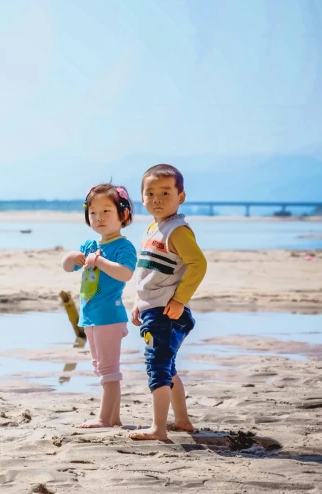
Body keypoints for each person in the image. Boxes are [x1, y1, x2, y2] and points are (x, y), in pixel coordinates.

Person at [128, 164, 207, 441]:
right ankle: (183, 421)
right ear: (142, 197)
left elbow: (198, 264)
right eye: (150, 193)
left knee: (157, 367)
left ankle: (158, 429)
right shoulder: (153, 228)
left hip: (166, 313)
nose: (157, 199)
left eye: (165, 192)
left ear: (180, 197)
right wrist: (139, 300)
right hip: (153, 310)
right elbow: (146, 272)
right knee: (167, 366)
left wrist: (179, 300)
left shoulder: (177, 230)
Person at [61, 184, 137, 428]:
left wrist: (101, 261)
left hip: (109, 316)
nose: (99, 218)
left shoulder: (123, 247)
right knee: (99, 367)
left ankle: (104, 419)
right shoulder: (90, 245)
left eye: (106, 211)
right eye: (93, 212)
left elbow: (125, 273)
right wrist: (72, 257)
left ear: (123, 215)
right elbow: (67, 267)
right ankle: (114, 418)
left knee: (108, 370)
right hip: (90, 317)